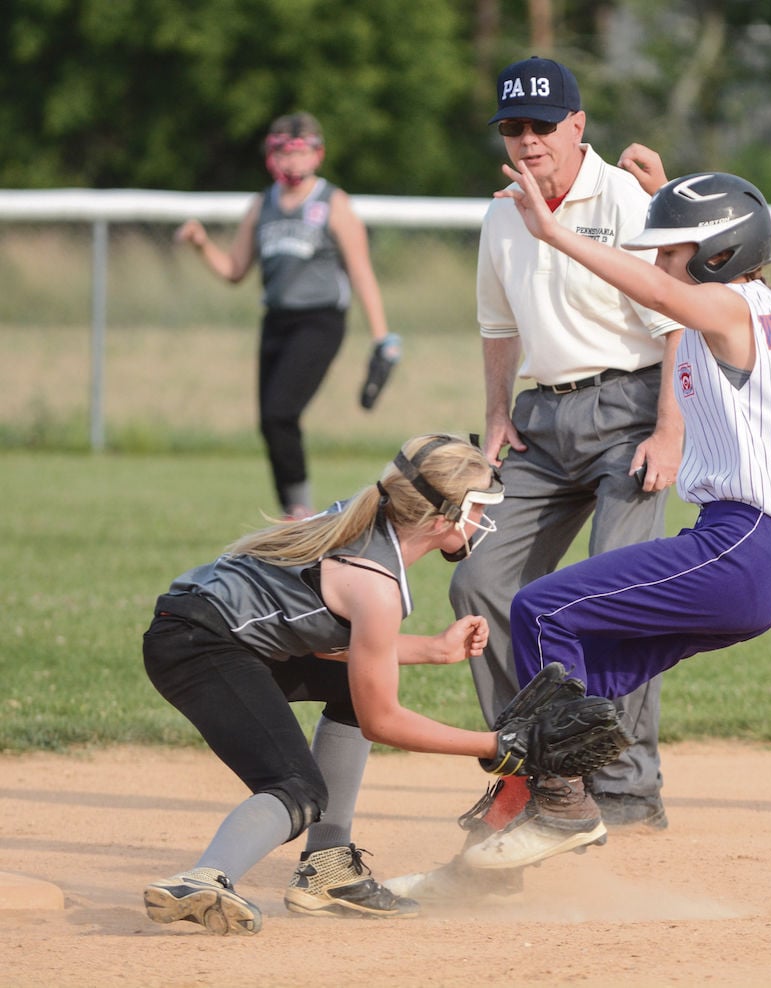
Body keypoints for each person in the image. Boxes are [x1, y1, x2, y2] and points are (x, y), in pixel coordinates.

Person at [457, 152, 771, 869]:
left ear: (720, 253)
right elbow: (689, 282)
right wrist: (668, 198)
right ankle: (526, 796)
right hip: (753, 558)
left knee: (542, 612)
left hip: (741, 547)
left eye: (672, 247)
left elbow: (666, 300)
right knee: (586, 667)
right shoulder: (749, 301)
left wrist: (558, 235)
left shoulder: (730, 307)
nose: (660, 261)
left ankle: (562, 806)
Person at [447, 56, 685, 850]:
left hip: (630, 413)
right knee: (480, 581)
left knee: (615, 596)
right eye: (513, 127)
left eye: (542, 126)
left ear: (578, 126)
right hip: (540, 425)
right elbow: (497, 327)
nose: (527, 140)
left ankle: (627, 786)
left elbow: (675, 320)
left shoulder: (625, 199)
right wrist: (493, 420)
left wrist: (670, 428)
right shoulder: (501, 215)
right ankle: (543, 771)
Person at [141, 434, 510, 935]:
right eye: (480, 506)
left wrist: (435, 649)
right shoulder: (376, 582)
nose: (484, 519)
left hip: (207, 633)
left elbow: (324, 642)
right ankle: (203, 880)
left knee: (350, 690)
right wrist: (496, 746)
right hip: (199, 646)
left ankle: (328, 873)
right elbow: (384, 722)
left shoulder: (366, 519)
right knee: (298, 787)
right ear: (443, 517)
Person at [175, 111, 400, 520]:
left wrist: (382, 337)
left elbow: (361, 271)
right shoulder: (263, 204)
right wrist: (201, 243)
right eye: (283, 152)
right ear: (271, 156)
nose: (292, 162)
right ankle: (293, 513)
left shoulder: (332, 203)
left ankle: (300, 514)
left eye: (301, 152)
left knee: (281, 412)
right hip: (275, 321)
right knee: (270, 422)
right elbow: (234, 271)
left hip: (319, 320)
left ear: (318, 155)